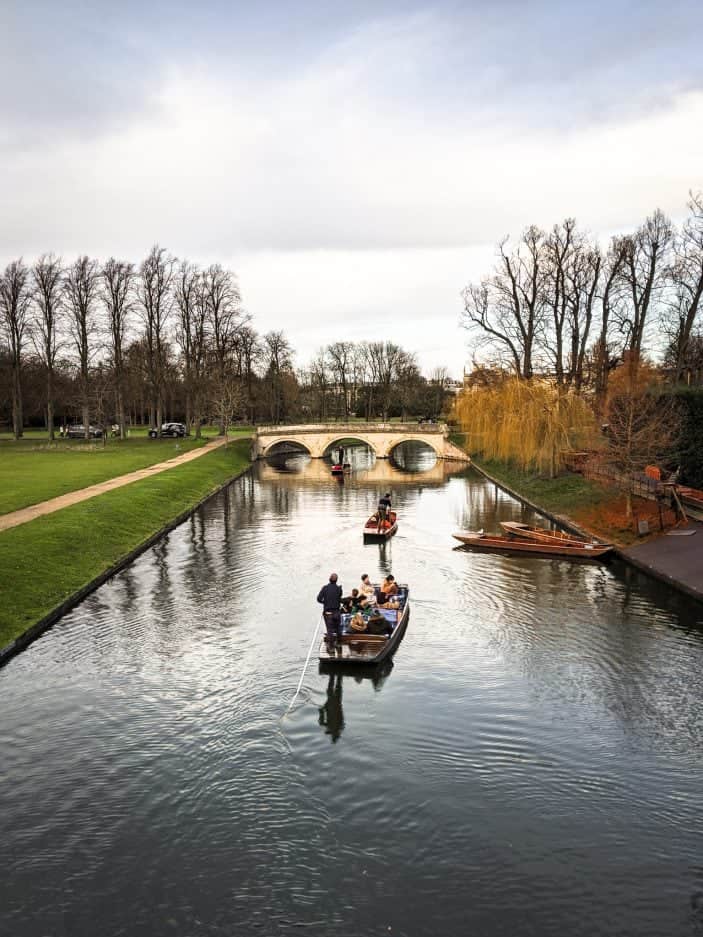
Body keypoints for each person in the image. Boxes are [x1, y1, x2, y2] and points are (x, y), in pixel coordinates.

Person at [317, 573, 343, 650]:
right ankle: (339, 644)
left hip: (328, 613)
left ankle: (331, 648)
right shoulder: (339, 589)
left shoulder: (325, 588)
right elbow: (339, 597)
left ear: (329, 579)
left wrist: (325, 602)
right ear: (336, 580)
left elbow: (318, 599)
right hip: (337, 612)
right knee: (338, 628)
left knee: (330, 630)